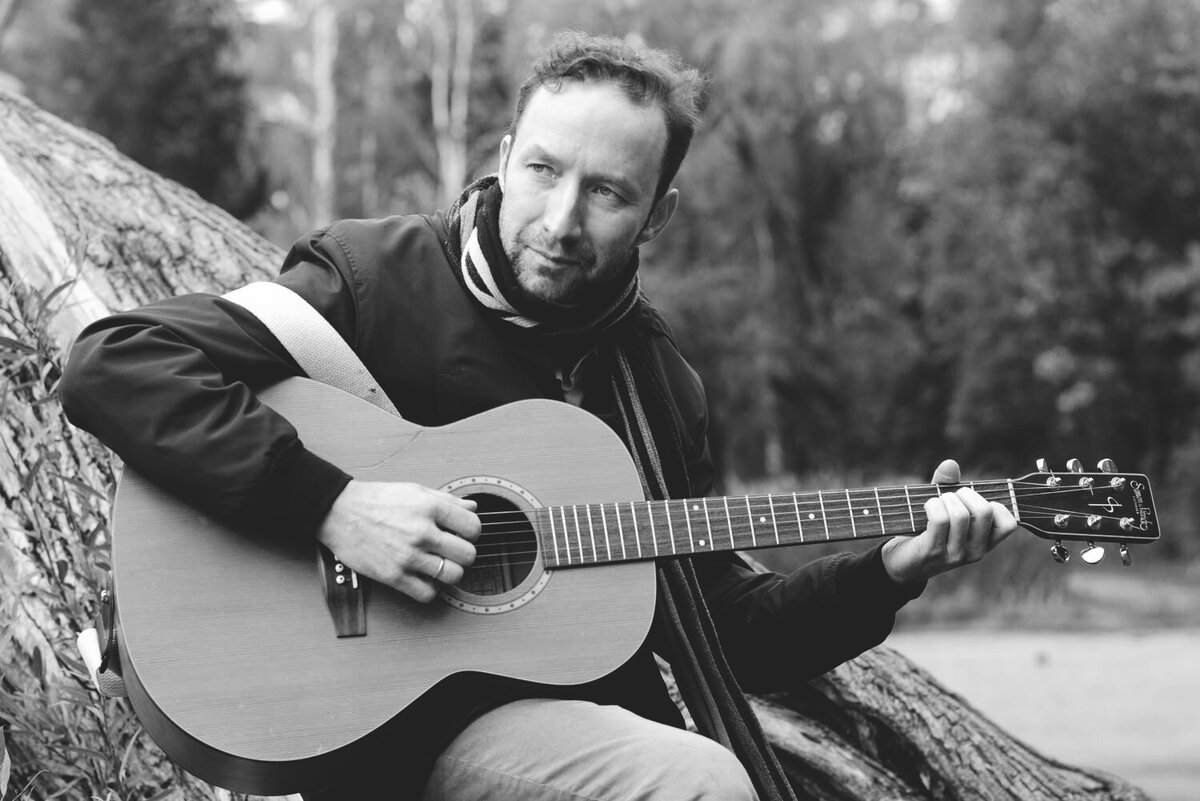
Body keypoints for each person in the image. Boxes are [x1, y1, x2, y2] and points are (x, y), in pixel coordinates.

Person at [61, 31, 1018, 801]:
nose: (561, 221)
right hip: (365, 727)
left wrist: (891, 571)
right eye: (544, 171)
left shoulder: (656, 384)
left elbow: (722, 626)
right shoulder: (373, 276)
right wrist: (332, 504)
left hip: (528, 723)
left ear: (657, 215)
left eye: (606, 192)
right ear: (505, 158)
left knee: (693, 779)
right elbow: (117, 361)